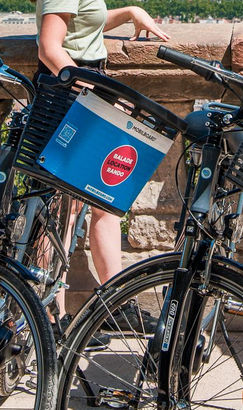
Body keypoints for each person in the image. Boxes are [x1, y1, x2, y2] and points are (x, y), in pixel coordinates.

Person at [32, 0, 167, 333]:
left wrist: (129, 12)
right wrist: (95, 96)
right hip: (71, 89)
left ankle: (115, 304)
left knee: (103, 203)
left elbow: (83, 22)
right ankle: (51, 319)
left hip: (87, 84)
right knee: (63, 210)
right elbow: (50, 48)